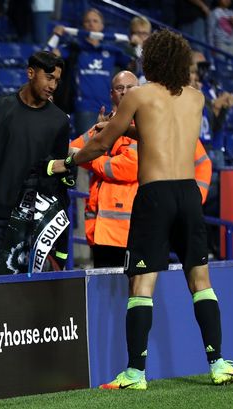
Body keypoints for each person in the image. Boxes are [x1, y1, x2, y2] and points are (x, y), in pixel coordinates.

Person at [51, 29, 233, 389]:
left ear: (150, 60)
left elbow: (103, 144)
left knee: (142, 282)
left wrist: (70, 161)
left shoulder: (138, 95)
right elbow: (165, 134)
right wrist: (125, 129)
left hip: (154, 196)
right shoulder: (197, 97)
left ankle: (135, 373)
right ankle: (219, 364)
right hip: (188, 194)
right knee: (201, 281)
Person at [72, 70, 212, 268]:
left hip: (138, 227)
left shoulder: (154, 122)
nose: (125, 92)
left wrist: (196, 199)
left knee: (144, 281)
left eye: (130, 88)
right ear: (111, 94)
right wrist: (94, 138)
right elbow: (74, 149)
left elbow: (125, 167)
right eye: (119, 88)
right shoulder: (106, 124)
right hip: (101, 230)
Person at [0, 50, 70, 277]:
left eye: (57, 81)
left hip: (30, 222)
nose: (53, 86)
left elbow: (56, 177)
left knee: (19, 290)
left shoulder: (59, 121)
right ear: (31, 73)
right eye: (49, 77)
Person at [49, 8, 131, 134]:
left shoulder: (111, 51)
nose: (91, 24)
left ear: (102, 25)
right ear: (83, 25)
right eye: (87, 21)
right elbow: (48, 57)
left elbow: (135, 65)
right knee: (86, 144)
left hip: (107, 108)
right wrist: (56, 36)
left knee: (109, 146)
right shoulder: (74, 48)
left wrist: (134, 46)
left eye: (95, 21)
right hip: (84, 108)